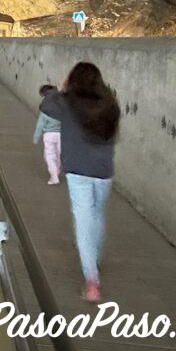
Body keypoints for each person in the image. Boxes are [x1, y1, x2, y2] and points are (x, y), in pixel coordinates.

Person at [40, 62, 120, 303]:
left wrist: (61, 88)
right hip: (104, 172)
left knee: (84, 224)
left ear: (72, 80)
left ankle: (92, 280)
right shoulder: (110, 104)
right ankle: (93, 258)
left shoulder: (67, 103)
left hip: (78, 172)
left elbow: (46, 105)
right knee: (97, 216)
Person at [32, 84, 62, 184]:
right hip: (62, 135)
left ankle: (54, 176)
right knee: (58, 154)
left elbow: (40, 125)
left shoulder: (45, 108)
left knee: (49, 155)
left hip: (49, 135)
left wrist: (36, 137)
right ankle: (56, 171)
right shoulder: (62, 104)